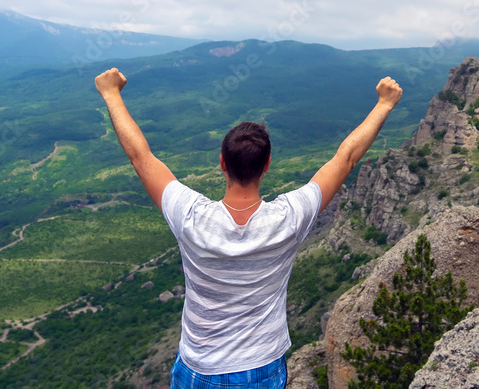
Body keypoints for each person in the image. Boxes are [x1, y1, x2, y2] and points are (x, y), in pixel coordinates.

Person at [94, 68, 403, 388]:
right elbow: (346, 158)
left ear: (222, 164)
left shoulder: (190, 217)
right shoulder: (288, 220)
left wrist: (111, 94)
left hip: (198, 367)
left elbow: (140, 157)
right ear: (267, 165)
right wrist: (384, 103)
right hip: (261, 368)